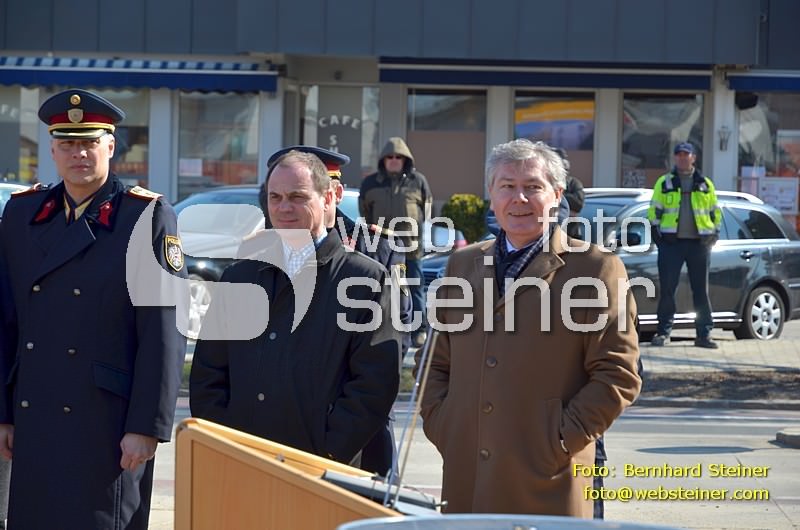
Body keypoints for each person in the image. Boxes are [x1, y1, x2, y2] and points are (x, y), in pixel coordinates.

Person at [416, 139, 641, 517]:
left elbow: (618, 374)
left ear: (556, 195)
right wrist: (444, 425)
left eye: (532, 187)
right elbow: (434, 362)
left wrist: (561, 439)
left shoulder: (595, 268)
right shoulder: (462, 264)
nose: (519, 198)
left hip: (548, 482)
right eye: (507, 186)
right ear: (491, 196)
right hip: (467, 479)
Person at [0, 88, 187, 529]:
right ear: (52, 150)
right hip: (34, 412)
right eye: (67, 144)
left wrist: (146, 425)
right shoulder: (23, 213)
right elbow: (5, 321)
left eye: (89, 143)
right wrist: (2, 413)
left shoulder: (144, 215)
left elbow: (163, 329)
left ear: (111, 146)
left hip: (106, 423)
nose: (78, 154)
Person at [190, 149, 401, 466]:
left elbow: (374, 383)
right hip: (242, 464)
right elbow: (208, 374)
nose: (284, 208)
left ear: (327, 199)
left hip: (322, 470)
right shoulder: (239, 276)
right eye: (275, 197)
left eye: (297, 197)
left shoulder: (365, 279)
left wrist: (328, 449)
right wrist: (226, 444)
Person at [261, 145, 410, 476]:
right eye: (278, 196)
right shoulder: (266, 248)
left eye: (301, 194)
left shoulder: (375, 246)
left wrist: (341, 423)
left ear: (334, 194)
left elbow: (396, 335)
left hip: (357, 430)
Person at [359, 137, 432, 348]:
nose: (393, 160)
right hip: (381, 250)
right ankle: (381, 331)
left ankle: (418, 330)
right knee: (382, 290)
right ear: (383, 159)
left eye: (398, 157)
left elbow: (427, 210)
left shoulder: (418, 181)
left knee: (414, 289)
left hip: (411, 249)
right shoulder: (370, 183)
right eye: (389, 156)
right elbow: (365, 213)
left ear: (405, 159)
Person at [648, 141, 721, 349]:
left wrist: (714, 234)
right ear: (675, 157)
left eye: (685, 154)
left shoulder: (705, 183)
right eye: (678, 154)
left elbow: (715, 211)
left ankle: (704, 335)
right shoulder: (665, 182)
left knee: (701, 291)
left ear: (693, 158)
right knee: (668, 290)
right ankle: (663, 332)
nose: (682, 158)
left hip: (699, 244)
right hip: (671, 244)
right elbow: (654, 210)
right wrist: (658, 236)